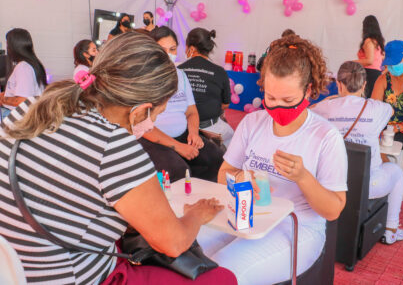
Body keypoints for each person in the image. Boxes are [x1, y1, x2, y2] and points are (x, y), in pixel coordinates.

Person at [0, 32, 237, 285]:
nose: (152, 124)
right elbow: (174, 243)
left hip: (15, 267)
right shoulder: (113, 145)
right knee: (222, 279)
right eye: (156, 115)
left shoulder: (34, 109)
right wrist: (196, 214)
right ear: (141, 111)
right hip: (74, 276)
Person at [196, 35, 348, 285]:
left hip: (295, 228)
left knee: (225, 271)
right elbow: (225, 173)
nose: (277, 107)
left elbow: (333, 210)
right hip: (245, 215)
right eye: (270, 98)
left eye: (288, 100)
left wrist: (303, 177)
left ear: (308, 90)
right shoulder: (253, 123)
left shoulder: (325, 137)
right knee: (187, 248)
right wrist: (240, 178)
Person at [312, 61, 403, 244]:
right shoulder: (377, 109)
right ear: (364, 85)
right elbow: (391, 109)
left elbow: (308, 114)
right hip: (368, 185)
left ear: (338, 84)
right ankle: (390, 229)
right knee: (396, 171)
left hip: (329, 183)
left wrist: (330, 99)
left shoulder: (325, 108)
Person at [136, 27, 224, 182]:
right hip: (154, 140)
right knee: (177, 171)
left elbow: (191, 111)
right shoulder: (144, 77)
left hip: (184, 135)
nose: (168, 54)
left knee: (214, 156)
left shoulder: (181, 75)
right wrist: (177, 146)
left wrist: (194, 134)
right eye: (162, 49)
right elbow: (141, 125)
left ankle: (205, 198)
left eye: (172, 49)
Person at [178, 28, 234, 147]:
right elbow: (226, 104)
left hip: (180, 126)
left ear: (191, 48)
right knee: (232, 140)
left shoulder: (178, 70)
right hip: (210, 127)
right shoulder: (220, 71)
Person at [0, 28, 46, 119]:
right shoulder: (33, 64)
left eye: (8, 46)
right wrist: (4, 94)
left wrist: (2, 99)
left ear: (14, 48)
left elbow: (22, 100)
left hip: (16, 116)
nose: (7, 50)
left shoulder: (23, 67)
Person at [355, 15, 385, 98]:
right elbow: (382, 58)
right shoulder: (380, 41)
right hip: (377, 74)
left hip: (369, 73)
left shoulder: (369, 41)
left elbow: (369, 61)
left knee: (365, 100)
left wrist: (351, 62)